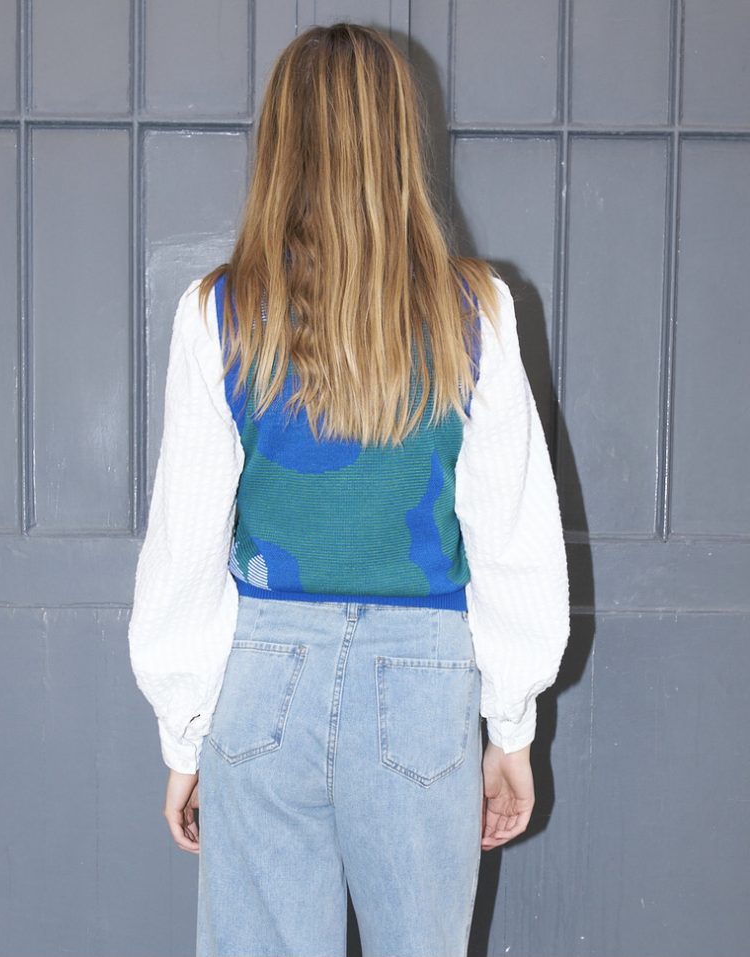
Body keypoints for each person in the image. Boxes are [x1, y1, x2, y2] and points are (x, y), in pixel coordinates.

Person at [127, 21, 570, 957]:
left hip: (261, 681)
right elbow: (512, 539)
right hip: (423, 685)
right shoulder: (475, 313)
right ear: (400, 140)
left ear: (278, 143)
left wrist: (184, 736)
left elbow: (184, 547)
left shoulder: (218, 314)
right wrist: (511, 728)